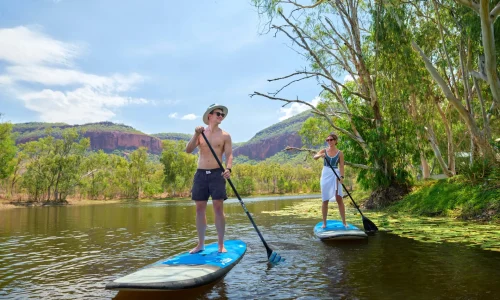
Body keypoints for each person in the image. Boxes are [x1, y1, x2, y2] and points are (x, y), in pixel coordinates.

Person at [185, 104, 233, 253]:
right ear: (209, 116)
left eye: (222, 115)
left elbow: (229, 154)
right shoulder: (201, 133)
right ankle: (200, 244)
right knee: (200, 209)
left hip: (217, 174)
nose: (221, 117)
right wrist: (195, 134)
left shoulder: (225, 135)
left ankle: (220, 245)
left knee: (218, 208)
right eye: (218, 114)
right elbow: (188, 150)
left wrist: (228, 168)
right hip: (201, 174)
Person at [313, 132, 347, 229]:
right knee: (325, 199)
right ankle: (324, 223)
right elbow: (315, 157)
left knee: (339, 198)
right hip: (326, 173)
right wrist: (320, 155)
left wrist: (342, 177)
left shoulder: (340, 153)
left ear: (335, 141)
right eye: (327, 140)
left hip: (335, 173)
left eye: (331, 140)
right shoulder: (324, 150)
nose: (329, 141)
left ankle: (344, 222)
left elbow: (341, 166)